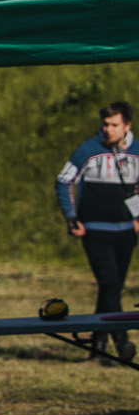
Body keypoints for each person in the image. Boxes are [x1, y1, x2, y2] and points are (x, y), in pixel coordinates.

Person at [56, 101, 139, 360]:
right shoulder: (88, 151)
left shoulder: (137, 152)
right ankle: (121, 340)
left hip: (126, 230)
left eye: (114, 125)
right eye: (105, 124)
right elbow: (64, 181)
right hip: (95, 229)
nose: (108, 129)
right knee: (110, 282)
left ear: (127, 126)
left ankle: (97, 346)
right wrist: (72, 217)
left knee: (111, 289)